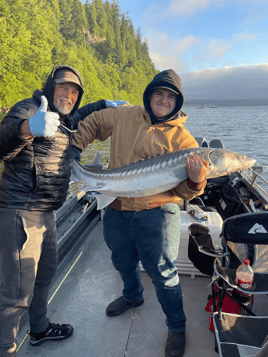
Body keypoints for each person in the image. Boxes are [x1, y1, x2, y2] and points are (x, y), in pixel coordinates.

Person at [72, 69, 209, 357]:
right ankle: (133, 297)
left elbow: (184, 193)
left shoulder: (184, 141)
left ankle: (177, 326)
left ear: (177, 102)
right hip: (117, 206)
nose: (163, 100)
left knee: (163, 272)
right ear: (149, 95)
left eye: (170, 97)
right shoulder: (125, 114)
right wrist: (73, 149)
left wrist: (197, 182)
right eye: (158, 93)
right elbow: (93, 122)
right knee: (121, 260)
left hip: (157, 213)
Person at [0, 64, 126, 357]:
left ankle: (40, 330)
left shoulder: (66, 118)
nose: (68, 96)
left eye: (74, 92)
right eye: (62, 89)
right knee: (16, 294)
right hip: (21, 212)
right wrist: (26, 129)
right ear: (49, 88)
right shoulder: (30, 110)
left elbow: (80, 114)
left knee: (45, 275)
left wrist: (104, 104)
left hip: (47, 211)